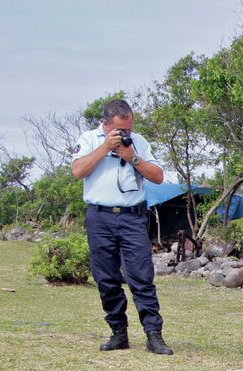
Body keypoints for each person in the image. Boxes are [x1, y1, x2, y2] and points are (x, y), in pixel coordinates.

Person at [72, 99, 173, 355]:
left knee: (141, 276)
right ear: (105, 125)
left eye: (128, 128)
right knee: (106, 277)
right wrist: (106, 147)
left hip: (132, 217)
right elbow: (78, 170)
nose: (125, 134)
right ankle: (118, 333)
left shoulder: (138, 142)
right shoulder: (89, 139)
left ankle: (154, 335)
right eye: (119, 130)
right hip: (99, 217)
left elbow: (158, 177)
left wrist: (133, 157)